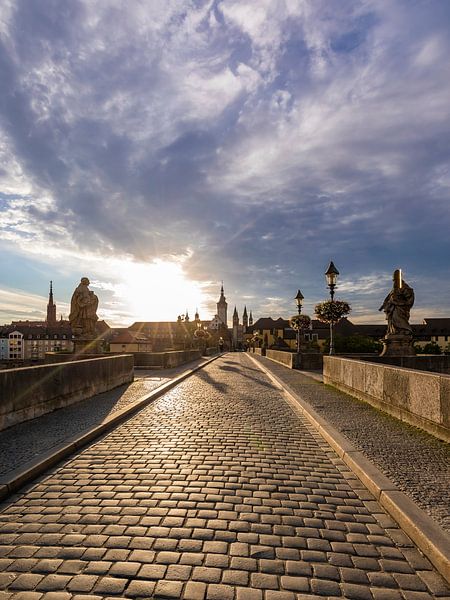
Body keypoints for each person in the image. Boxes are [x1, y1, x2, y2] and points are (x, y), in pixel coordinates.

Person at [379, 269, 414, 336]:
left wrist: (401, 303)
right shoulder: (394, 288)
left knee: (398, 319)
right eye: (394, 279)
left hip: (400, 308)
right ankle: (394, 331)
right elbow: (388, 297)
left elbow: (409, 298)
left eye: (395, 279)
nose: (394, 281)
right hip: (392, 308)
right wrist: (384, 305)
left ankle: (404, 330)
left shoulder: (405, 287)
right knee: (392, 320)